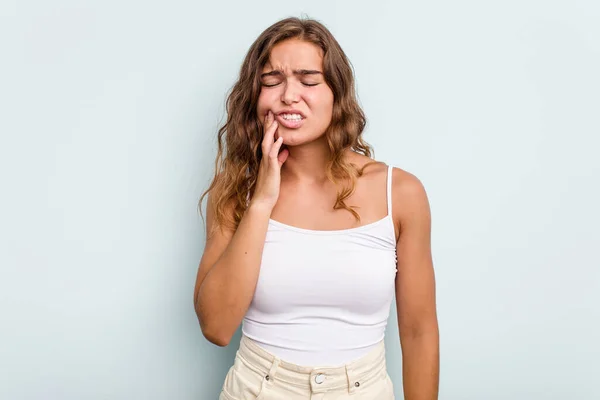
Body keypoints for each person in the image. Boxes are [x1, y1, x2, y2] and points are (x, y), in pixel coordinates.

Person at [193, 16, 439, 400]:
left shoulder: (401, 192)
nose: (289, 95)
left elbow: (419, 331)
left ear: (336, 95)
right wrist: (261, 201)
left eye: (308, 81)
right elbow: (217, 327)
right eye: (272, 81)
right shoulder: (235, 193)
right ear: (255, 96)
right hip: (258, 389)